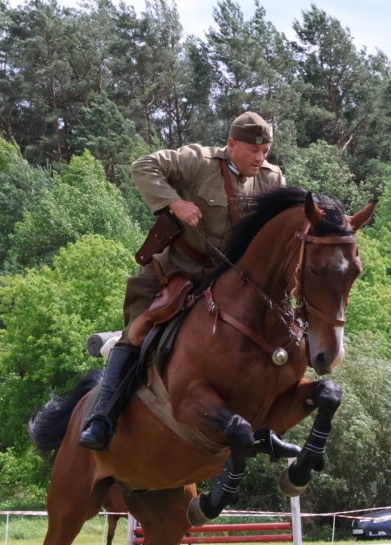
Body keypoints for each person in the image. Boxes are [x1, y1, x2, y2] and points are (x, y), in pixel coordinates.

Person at [78, 112, 286, 451]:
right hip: (177, 270)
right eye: (253, 150)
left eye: (265, 150)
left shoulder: (271, 178)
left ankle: (266, 424)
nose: (260, 157)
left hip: (233, 280)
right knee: (139, 331)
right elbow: (142, 166)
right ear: (232, 144)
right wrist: (175, 203)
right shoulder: (198, 161)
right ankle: (102, 419)